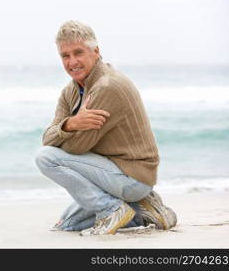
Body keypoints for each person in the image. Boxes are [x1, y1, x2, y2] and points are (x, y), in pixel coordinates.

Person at [35, 20, 176, 235]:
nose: (72, 61)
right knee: (66, 225)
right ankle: (146, 211)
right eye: (65, 55)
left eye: (78, 53)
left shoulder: (108, 87)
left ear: (96, 51)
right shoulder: (70, 91)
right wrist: (71, 124)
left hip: (132, 177)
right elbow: (48, 137)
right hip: (109, 175)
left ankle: (112, 209)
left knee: (45, 158)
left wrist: (64, 133)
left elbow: (75, 148)